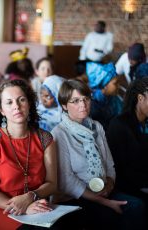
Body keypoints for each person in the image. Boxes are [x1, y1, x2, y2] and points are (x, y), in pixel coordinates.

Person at [0, 79, 82, 230]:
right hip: (1, 209)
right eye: (9, 102)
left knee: (72, 222)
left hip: (36, 205)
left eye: (21, 100)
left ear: (29, 104)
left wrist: (30, 197)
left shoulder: (45, 138)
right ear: (1, 110)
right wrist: (21, 207)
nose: (17, 106)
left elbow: (52, 184)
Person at [51, 79, 147, 230]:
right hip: (76, 197)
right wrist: (105, 201)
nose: (83, 105)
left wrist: (109, 184)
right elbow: (67, 181)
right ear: (64, 105)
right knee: (110, 216)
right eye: (75, 101)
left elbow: (109, 164)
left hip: (103, 189)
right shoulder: (59, 133)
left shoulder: (97, 126)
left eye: (86, 99)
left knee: (136, 206)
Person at [106, 78, 148, 203]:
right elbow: (118, 169)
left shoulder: (145, 123)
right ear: (140, 98)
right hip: (128, 186)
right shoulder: (119, 125)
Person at [86, 62, 123, 131]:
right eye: (115, 83)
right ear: (104, 85)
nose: (119, 86)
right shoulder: (92, 105)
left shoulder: (114, 99)